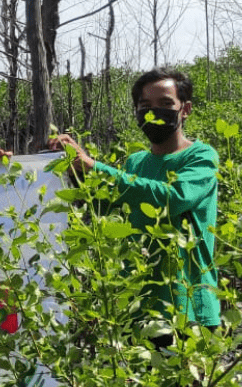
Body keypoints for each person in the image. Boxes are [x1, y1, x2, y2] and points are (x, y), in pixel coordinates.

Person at [51, 68, 220, 335]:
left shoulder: (201, 156)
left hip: (188, 308)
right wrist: (76, 172)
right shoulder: (136, 162)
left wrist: (94, 167)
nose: (153, 113)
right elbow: (104, 209)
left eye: (166, 104)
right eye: (145, 106)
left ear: (185, 109)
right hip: (140, 305)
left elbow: (174, 198)